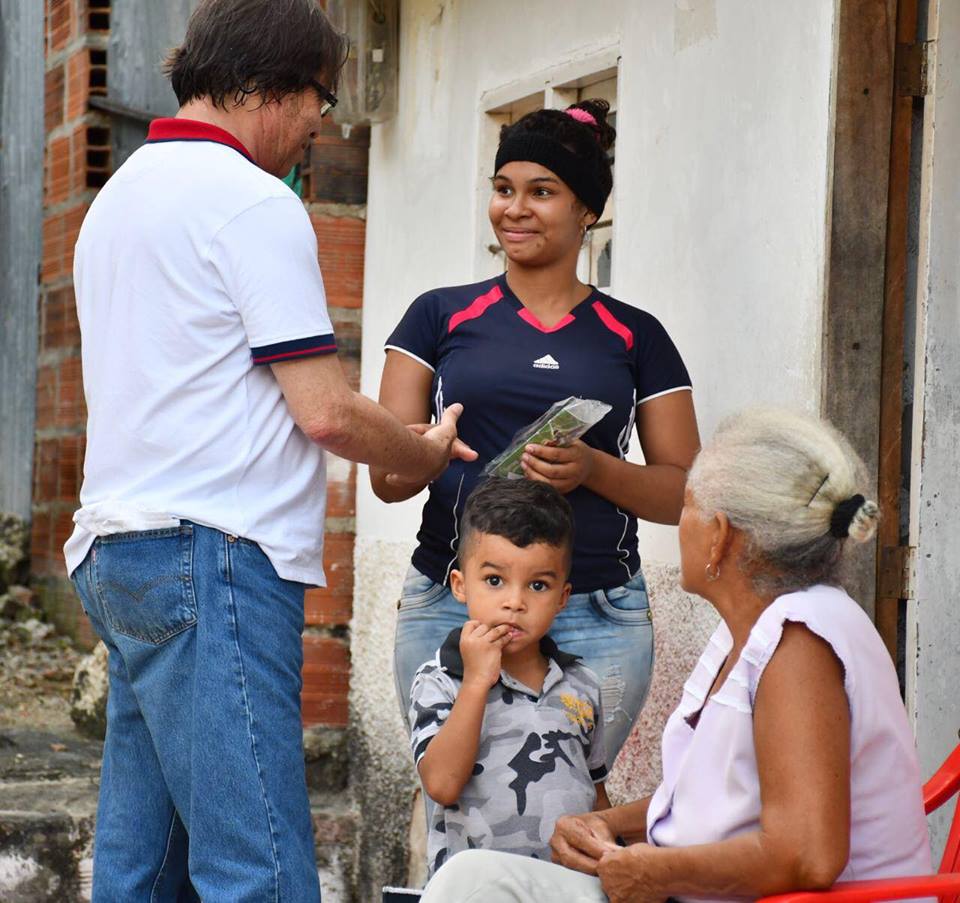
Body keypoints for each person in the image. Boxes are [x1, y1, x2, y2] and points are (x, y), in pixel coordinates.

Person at [64, 2, 472, 900]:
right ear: (268, 86)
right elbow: (324, 412)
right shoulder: (253, 201)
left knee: (143, 869)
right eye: (321, 96)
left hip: (121, 547)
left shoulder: (119, 196)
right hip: (214, 552)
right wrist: (420, 452)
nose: (322, 120)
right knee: (263, 870)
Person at [418, 408, 932, 903]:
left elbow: (808, 855)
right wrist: (606, 824)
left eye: (687, 507)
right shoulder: (756, 629)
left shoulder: (800, 644)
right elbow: (707, 801)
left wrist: (655, 871)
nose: (679, 523)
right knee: (477, 879)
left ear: (720, 536)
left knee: (473, 883)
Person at [375, 98, 701, 766]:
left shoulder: (637, 335)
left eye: (541, 192)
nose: (514, 209)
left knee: (572, 796)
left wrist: (594, 469)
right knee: (449, 791)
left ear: (588, 211)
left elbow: (686, 495)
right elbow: (386, 478)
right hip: (453, 599)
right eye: (503, 189)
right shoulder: (436, 316)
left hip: (595, 607)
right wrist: (429, 454)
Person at [409, 478, 611, 878]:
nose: (514, 602)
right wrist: (475, 682)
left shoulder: (581, 683)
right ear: (460, 585)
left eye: (538, 585)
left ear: (562, 597)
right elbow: (443, 785)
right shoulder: (440, 680)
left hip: (564, 889)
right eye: (494, 580)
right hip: (475, 889)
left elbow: (596, 795)